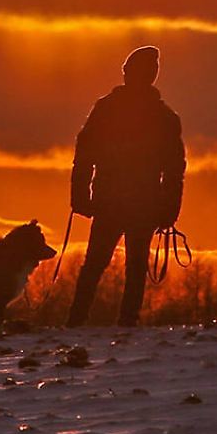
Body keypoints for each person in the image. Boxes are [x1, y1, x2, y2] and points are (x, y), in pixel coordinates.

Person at [67, 46, 186, 326]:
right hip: (132, 201)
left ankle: (80, 321)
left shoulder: (110, 108)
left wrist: (80, 195)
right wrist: (169, 208)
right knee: (124, 265)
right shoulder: (163, 116)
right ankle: (117, 322)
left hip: (120, 200)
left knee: (100, 264)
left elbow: (84, 153)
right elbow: (174, 168)